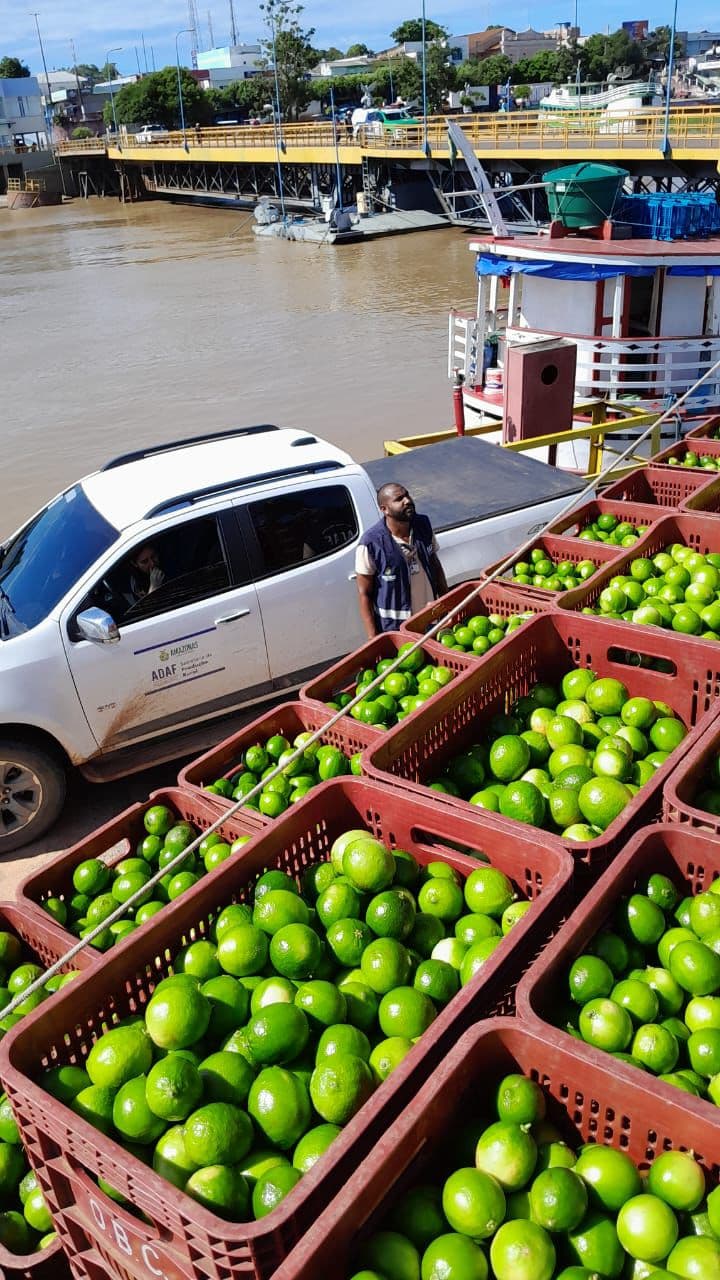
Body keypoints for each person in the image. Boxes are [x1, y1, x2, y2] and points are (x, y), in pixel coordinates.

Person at [355, 483, 447, 638]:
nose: (407, 500)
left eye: (407, 495)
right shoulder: (371, 543)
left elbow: (435, 565)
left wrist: (447, 605)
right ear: (384, 509)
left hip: (430, 620)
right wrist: (372, 637)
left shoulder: (422, 524)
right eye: (399, 499)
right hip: (396, 630)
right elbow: (364, 593)